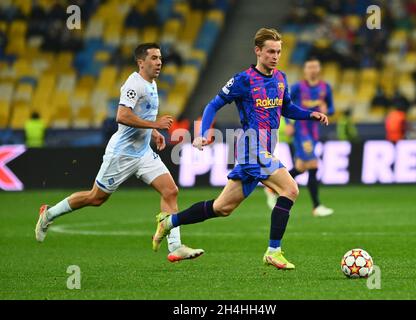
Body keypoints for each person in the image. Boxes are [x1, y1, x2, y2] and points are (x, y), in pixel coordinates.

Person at [151, 28, 328, 270]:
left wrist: (311, 115)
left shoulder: (281, 78)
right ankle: (273, 251)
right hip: (251, 148)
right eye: (270, 52)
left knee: (222, 208)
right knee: (290, 188)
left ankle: (169, 221)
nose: (275, 56)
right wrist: (203, 134)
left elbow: (287, 108)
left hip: (266, 147)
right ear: (257, 51)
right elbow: (213, 105)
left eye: (278, 51)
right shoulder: (243, 80)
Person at [35, 43, 204, 262]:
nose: (159, 62)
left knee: (170, 191)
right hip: (122, 155)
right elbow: (122, 116)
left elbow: (140, 115)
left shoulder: (152, 83)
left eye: (160, 58)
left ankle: (175, 246)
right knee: (95, 198)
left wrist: (153, 133)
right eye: (153, 58)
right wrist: (154, 124)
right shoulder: (134, 85)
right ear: (141, 62)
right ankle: (48, 214)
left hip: (143, 153)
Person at [275, 57, 335, 217]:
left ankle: (272, 186)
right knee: (314, 165)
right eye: (310, 67)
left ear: (319, 69)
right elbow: (284, 105)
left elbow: (332, 108)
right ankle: (317, 206)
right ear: (305, 70)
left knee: (301, 167)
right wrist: (288, 123)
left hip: (314, 131)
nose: (313, 70)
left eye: (315, 67)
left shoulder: (325, 87)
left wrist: (326, 110)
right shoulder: (297, 87)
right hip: (300, 129)